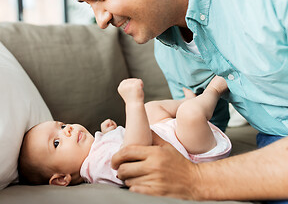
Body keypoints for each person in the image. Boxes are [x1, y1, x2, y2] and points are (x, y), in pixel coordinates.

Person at [42, 0, 288, 202]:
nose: (101, 21)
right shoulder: (169, 53)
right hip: (272, 139)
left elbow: (196, 169)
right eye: (90, 4)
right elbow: (205, 136)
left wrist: (196, 179)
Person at [18, 77, 231, 186]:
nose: (68, 130)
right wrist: (132, 103)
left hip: (172, 137)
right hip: (192, 156)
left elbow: (119, 145)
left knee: (152, 109)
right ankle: (214, 91)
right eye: (56, 143)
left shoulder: (96, 152)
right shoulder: (95, 167)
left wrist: (109, 133)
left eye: (62, 125)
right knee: (189, 115)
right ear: (61, 179)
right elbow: (136, 150)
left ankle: (188, 102)